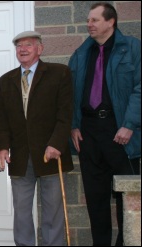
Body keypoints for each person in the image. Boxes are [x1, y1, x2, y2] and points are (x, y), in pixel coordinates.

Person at [68, 2, 141, 246]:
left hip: (121, 132)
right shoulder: (80, 54)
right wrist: (74, 126)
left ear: (111, 22)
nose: (89, 24)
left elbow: (140, 89)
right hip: (89, 134)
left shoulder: (132, 48)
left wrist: (129, 124)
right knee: (95, 198)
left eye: (94, 20)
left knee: (127, 197)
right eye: (88, 20)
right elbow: (72, 94)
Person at [0, 31, 74, 246]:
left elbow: (65, 114)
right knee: (21, 213)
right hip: (20, 157)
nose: (23, 49)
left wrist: (56, 143)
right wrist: (1, 148)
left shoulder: (60, 73)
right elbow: (1, 120)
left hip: (51, 154)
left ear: (40, 48)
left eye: (28, 45)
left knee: (53, 212)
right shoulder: (5, 80)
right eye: (19, 46)